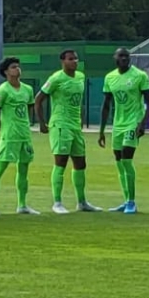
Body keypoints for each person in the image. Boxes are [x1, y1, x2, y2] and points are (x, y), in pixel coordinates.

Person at [38, 48, 101, 214]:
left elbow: (78, 101)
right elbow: (38, 99)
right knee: (61, 162)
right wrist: (42, 123)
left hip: (75, 126)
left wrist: (81, 117)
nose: (74, 61)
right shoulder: (56, 78)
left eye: (76, 59)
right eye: (71, 59)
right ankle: (57, 202)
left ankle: (82, 202)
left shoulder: (80, 77)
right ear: (63, 61)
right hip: (60, 124)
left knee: (80, 163)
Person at [99, 47, 149, 214]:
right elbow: (106, 104)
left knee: (126, 159)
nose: (124, 58)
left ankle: (131, 202)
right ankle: (126, 200)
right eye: (121, 56)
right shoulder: (110, 77)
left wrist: (143, 124)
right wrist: (102, 131)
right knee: (119, 162)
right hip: (118, 125)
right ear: (115, 58)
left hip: (133, 123)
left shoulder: (140, 75)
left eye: (126, 56)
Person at [0, 56, 40, 216]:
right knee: (0, 169)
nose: (17, 69)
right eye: (13, 67)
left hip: (25, 135)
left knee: (23, 169)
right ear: (6, 72)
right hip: (10, 136)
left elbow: (29, 108)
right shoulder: (2, 90)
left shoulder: (27, 89)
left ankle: (22, 205)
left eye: (18, 66)